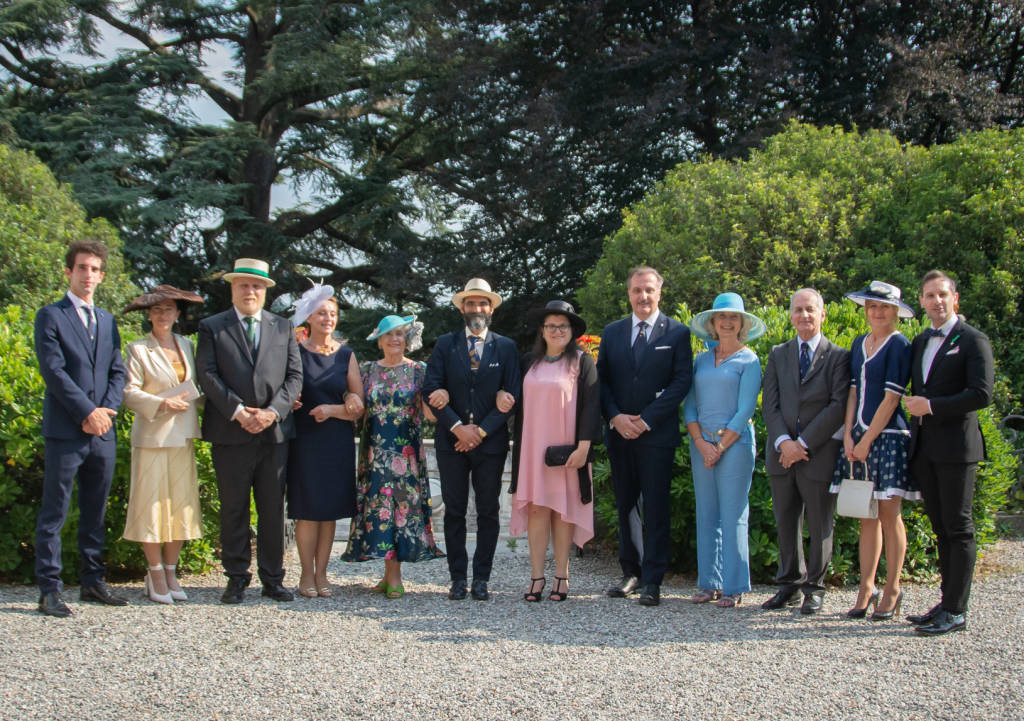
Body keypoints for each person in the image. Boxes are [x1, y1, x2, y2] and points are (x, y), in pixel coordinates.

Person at [195, 258, 303, 604]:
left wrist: (272, 412)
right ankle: (237, 577)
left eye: (256, 286)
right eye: (243, 284)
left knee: (273, 509)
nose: (250, 291)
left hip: (274, 434)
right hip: (230, 433)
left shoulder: (283, 327)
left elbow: (294, 377)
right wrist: (239, 412)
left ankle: (273, 578)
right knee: (234, 507)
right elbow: (207, 375)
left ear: (265, 291)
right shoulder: (212, 327)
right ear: (233, 288)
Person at [33, 240, 128, 617]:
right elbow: (53, 371)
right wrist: (87, 411)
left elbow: (117, 370)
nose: (88, 274)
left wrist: (106, 410)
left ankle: (92, 582)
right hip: (67, 430)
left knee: (95, 511)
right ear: (69, 272)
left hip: (102, 432)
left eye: (94, 269)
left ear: (102, 276)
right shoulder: (51, 316)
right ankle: (49, 589)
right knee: (54, 512)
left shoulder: (106, 320)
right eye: (82, 267)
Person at [904, 271, 994, 636]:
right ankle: (945, 602)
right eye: (929, 295)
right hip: (926, 449)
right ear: (922, 301)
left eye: (943, 294)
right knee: (941, 528)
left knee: (958, 528)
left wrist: (932, 406)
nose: (936, 301)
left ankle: (957, 611)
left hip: (957, 449)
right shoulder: (922, 340)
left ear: (955, 298)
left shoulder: (973, 339)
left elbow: (982, 394)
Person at [597, 266, 692, 607]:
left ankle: (653, 579)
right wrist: (616, 417)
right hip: (620, 434)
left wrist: (647, 420)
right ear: (629, 294)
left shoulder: (678, 333)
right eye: (637, 290)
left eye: (649, 290)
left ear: (659, 293)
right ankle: (630, 572)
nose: (643, 296)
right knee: (625, 506)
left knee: (655, 508)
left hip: (656, 437)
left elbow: (681, 382)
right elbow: (602, 382)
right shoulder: (612, 332)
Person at [423, 278, 521, 601]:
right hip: (451, 443)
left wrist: (478, 432)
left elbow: (511, 397)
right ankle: (457, 579)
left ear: (491, 309)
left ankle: (481, 578)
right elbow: (431, 388)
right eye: (470, 303)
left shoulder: (505, 348)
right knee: (453, 511)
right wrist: (457, 428)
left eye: (482, 303)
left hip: (489, 444)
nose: (476, 309)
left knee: (488, 511)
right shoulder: (444, 344)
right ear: (462, 308)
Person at [830, 281, 918, 621]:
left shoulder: (900, 345)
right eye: (871, 306)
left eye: (883, 307)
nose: (876, 312)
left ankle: (893, 587)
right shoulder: (859, 342)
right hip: (858, 436)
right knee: (865, 515)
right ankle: (866, 587)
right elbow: (853, 391)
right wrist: (850, 435)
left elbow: (892, 397)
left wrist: (867, 439)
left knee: (888, 513)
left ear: (895, 311)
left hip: (888, 435)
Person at [761, 289, 849, 615]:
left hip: (818, 453)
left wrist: (803, 444)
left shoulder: (838, 357)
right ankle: (789, 586)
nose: (804, 316)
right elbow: (770, 405)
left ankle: (815, 588)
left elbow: (838, 406)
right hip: (782, 454)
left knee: (820, 523)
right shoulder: (777, 354)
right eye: (797, 310)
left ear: (823, 314)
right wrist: (784, 442)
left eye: (810, 310)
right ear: (790, 315)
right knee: (786, 522)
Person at [342, 314, 444, 597]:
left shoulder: (419, 370)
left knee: (399, 510)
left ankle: (394, 576)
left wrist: (444, 399)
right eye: (388, 334)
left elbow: (429, 414)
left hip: (405, 454)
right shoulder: (366, 371)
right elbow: (357, 405)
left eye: (399, 333)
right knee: (379, 511)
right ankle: (389, 574)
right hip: (374, 453)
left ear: (407, 339)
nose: (394, 339)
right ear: (379, 341)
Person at [508, 300, 601, 602]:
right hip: (532, 448)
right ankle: (536, 577)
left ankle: (562, 575)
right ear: (542, 330)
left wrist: (584, 447)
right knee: (537, 510)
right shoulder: (527, 363)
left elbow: (591, 405)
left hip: (567, 451)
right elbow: (511, 398)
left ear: (572, 330)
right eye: (551, 325)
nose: (557, 330)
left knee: (563, 513)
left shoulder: (581, 362)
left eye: (563, 326)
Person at [121, 285, 206, 604]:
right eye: (156, 310)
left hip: (182, 436)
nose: (163, 314)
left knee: (179, 507)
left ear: (178, 313)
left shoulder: (187, 345)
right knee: (151, 507)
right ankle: (154, 572)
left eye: (168, 309)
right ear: (149, 315)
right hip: (152, 437)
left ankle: (171, 570)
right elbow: (128, 392)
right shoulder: (138, 349)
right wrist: (160, 404)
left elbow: (197, 388)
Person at [683, 293, 764, 608]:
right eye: (721, 318)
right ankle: (709, 584)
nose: (727, 322)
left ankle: (733, 586)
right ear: (712, 324)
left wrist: (719, 447)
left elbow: (745, 410)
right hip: (700, 445)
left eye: (733, 318)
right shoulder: (700, 360)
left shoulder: (750, 360)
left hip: (735, 445)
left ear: (742, 323)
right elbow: (689, 405)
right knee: (706, 513)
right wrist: (702, 444)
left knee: (733, 514)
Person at [286, 284, 363, 598]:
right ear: (309, 318)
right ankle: (305, 574)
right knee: (308, 510)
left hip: (337, 439)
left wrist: (337, 408)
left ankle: (322, 574)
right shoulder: (295, 351)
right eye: (321, 313)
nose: (327, 318)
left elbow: (358, 403)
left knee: (328, 511)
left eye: (332, 314)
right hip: (304, 439)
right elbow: (284, 388)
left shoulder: (347, 355)